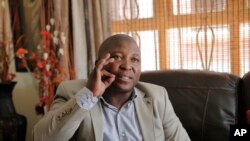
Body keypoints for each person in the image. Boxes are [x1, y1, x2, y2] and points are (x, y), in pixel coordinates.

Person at [33, 34, 190, 141]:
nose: (127, 66)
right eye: (117, 57)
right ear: (99, 65)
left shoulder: (157, 96)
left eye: (135, 59)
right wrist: (89, 95)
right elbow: (42, 138)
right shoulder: (72, 92)